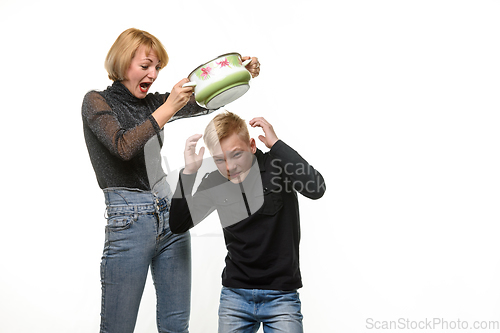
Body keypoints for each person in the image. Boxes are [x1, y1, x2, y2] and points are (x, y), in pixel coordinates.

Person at [81, 28, 260, 333]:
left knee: (176, 326)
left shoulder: (152, 104)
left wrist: (238, 72)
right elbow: (123, 147)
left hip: (171, 216)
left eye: (157, 68)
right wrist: (168, 107)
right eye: (145, 66)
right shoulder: (96, 103)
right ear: (123, 62)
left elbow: (202, 100)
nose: (153, 74)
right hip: (129, 224)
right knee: (117, 328)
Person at [169, 111, 326, 333]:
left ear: (252, 145)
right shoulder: (214, 181)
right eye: (219, 160)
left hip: (281, 296)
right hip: (235, 296)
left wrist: (277, 145)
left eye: (236, 155)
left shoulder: (277, 166)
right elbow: (178, 224)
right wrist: (189, 172)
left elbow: (316, 188)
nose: (230, 167)